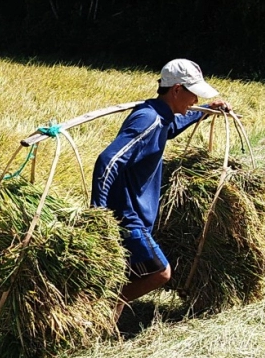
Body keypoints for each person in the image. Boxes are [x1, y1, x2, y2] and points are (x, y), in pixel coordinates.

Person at [90, 59, 231, 320]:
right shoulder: (148, 118)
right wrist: (97, 211)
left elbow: (170, 128)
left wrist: (204, 110)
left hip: (135, 214)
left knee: (127, 273)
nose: (194, 100)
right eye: (193, 95)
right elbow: (108, 160)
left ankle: (105, 327)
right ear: (177, 90)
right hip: (126, 215)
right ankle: (101, 308)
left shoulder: (162, 117)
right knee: (160, 272)